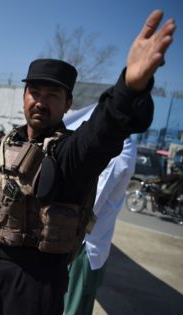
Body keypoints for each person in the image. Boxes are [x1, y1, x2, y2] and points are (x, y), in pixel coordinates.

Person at [0, 10, 176, 315]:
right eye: (34, 92)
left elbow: (102, 131)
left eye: (52, 95)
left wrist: (128, 87)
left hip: (35, 282)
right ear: (24, 96)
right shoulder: (4, 143)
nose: (40, 101)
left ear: (68, 103)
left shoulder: (70, 153)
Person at [62, 105, 137, 315]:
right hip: (95, 245)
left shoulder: (118, 154)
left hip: (86, 246)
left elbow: (92, 203)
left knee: (72, 310)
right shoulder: (126, 147)